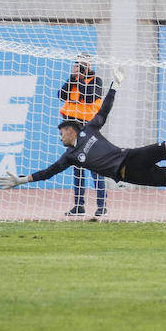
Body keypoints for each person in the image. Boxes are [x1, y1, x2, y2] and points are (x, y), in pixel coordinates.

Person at [0, 68, 166, 197]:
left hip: (132, 157)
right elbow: (48, 173)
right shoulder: (71, 157)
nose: (60, 136)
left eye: (61, 132)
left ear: (71, 130)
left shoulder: (90, 129)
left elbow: (105, 109)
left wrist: (115, 85)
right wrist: (21, 180)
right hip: (128, 175)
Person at [59, 56, 107, 217]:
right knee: (76, 167)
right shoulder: (73, 80)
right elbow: (61, 94)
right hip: (72, 128)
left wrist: (80, 80)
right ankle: (79, 205)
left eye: (81, 65)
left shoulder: (96, 80)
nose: (77, 68)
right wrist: (73, 79)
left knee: (94, 166)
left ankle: (102, 205)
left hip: (88, 127)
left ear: (88, 66)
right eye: (76, 65)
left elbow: (89, 97)